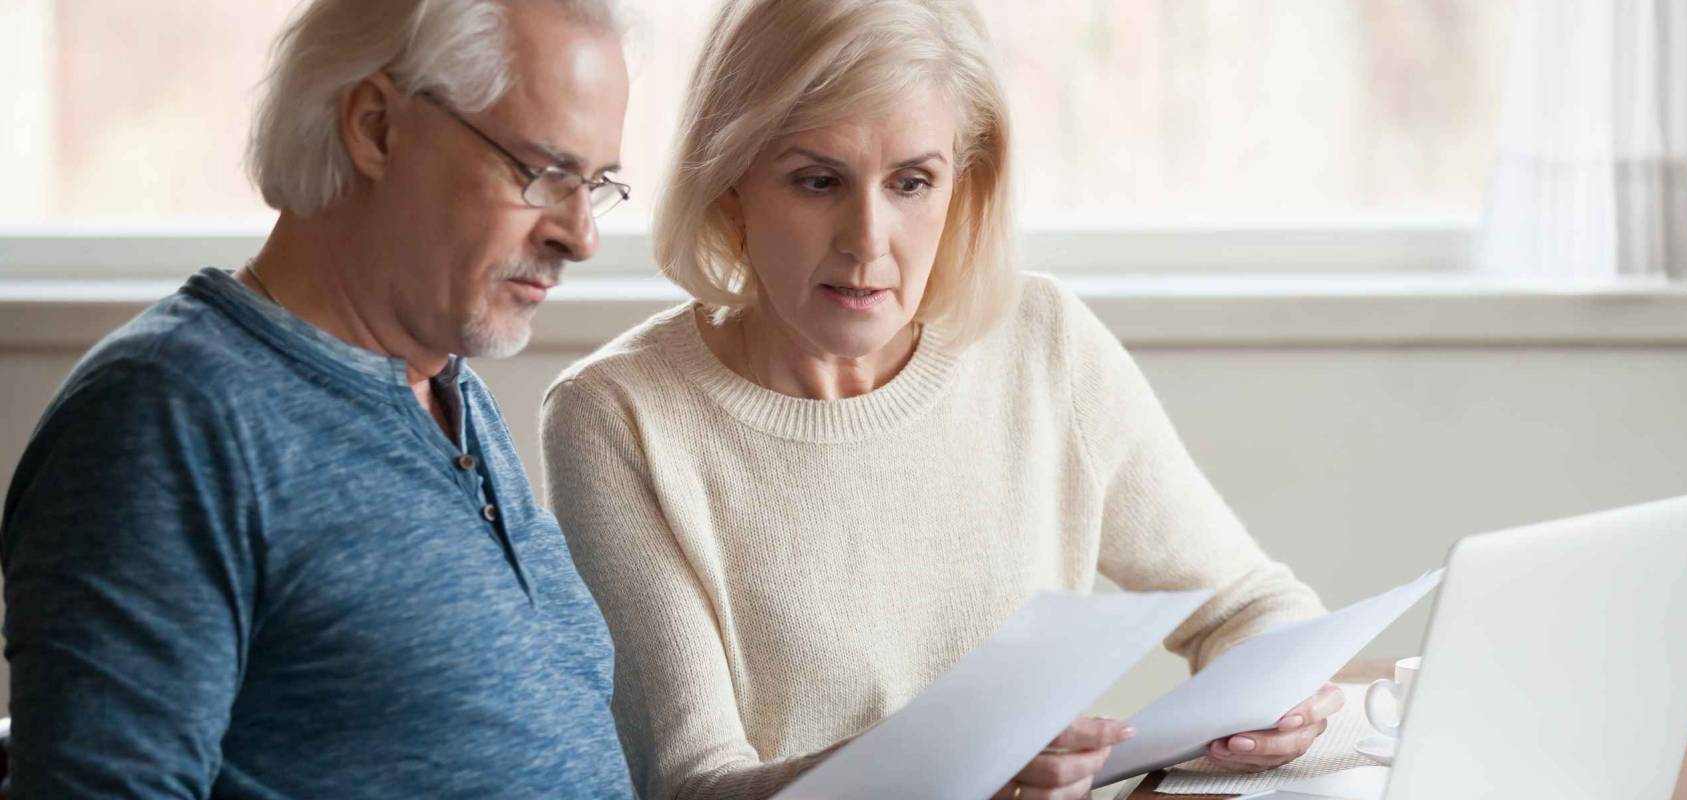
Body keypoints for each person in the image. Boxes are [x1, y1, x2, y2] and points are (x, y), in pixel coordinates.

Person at [540, 0, 1340, 798]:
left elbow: (1255, 605)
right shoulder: (616, 416)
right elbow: (692, 784)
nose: (868, 240)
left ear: (964, 184)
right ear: (728, 189)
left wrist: (1280, 697)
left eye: (912, 182)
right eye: (817, 181)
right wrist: (932, 766)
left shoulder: (1043, 340)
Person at [0, 0, 636, 796]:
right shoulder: (168, 416)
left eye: (596, 184)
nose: (581, 236)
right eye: (544, 174)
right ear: (375, 128)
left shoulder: (446, 392)